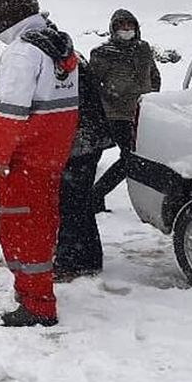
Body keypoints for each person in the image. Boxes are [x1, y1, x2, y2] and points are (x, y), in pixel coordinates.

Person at [0, 0, 79, 327]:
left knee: (20, 231)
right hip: (49, 158)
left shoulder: (23, 54)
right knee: (42, 226)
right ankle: (34, 291)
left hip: (21, 161)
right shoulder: (59, 46)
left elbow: (9, 115)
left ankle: (36, 304)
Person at [89, 9, 160, 213]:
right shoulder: (103, 53)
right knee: (130, 158)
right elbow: (93, 84)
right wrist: (110, 100)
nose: (126, 29)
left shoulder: (143, 49)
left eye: (130, 25)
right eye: (122, 26)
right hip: (116, 114)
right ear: (114, 29)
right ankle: (96, 194)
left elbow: (154, 76)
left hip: (142, 111)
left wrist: (151, 96)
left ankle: (98, 195)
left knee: (136, 157)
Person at [55, 52, 113, 280]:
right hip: (88, 137)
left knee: (70, 203)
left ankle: (70, 260)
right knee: (80, 202)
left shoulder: (60, 63)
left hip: (79, 140)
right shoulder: (70, 57)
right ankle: (89, 257)